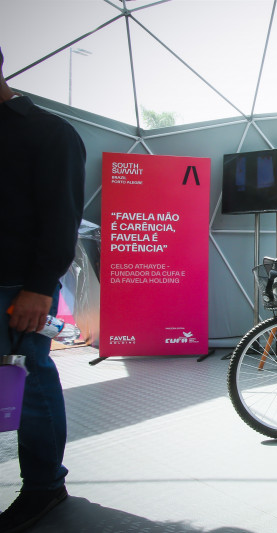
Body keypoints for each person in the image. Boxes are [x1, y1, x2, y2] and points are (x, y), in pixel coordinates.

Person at [0, 46, 86, 532]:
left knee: (29, 381)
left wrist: (38, 288)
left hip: (17, 287)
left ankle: (44, 485)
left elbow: (61, 217)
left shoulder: (48, 132)